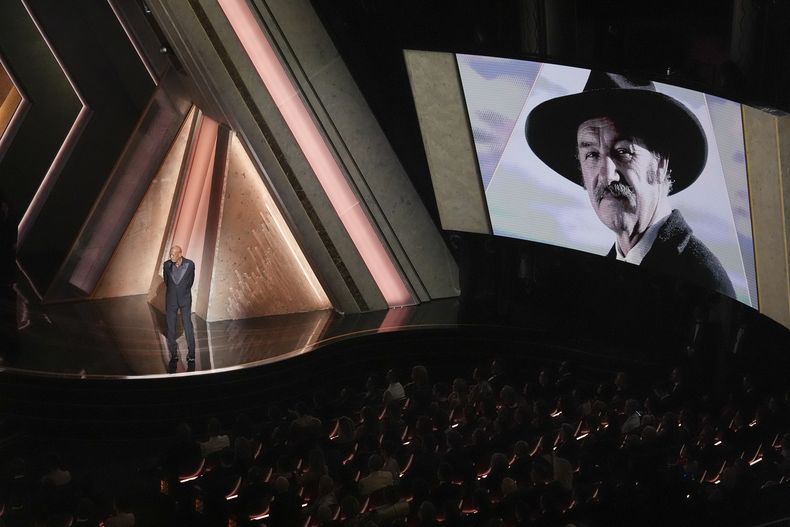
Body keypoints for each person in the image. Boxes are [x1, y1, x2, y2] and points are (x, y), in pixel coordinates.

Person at [525, 71, 734, 297]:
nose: (607, 176)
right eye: (592, 155)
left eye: (623, 151)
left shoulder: (703, 281)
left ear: (661, 162)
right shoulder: (599, 278)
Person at [163, 245, 196, 361]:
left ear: (180, 254)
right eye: (170, 254)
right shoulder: (166, 265)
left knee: (187, 325)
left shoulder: (190, 264)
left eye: (173, 254)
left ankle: (191, 353)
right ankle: (174, 353)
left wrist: (183, 291)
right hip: (171, 300)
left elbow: (191, 281)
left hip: (185, 300)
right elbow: (167, 281)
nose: (171, 256)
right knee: (171, 327)